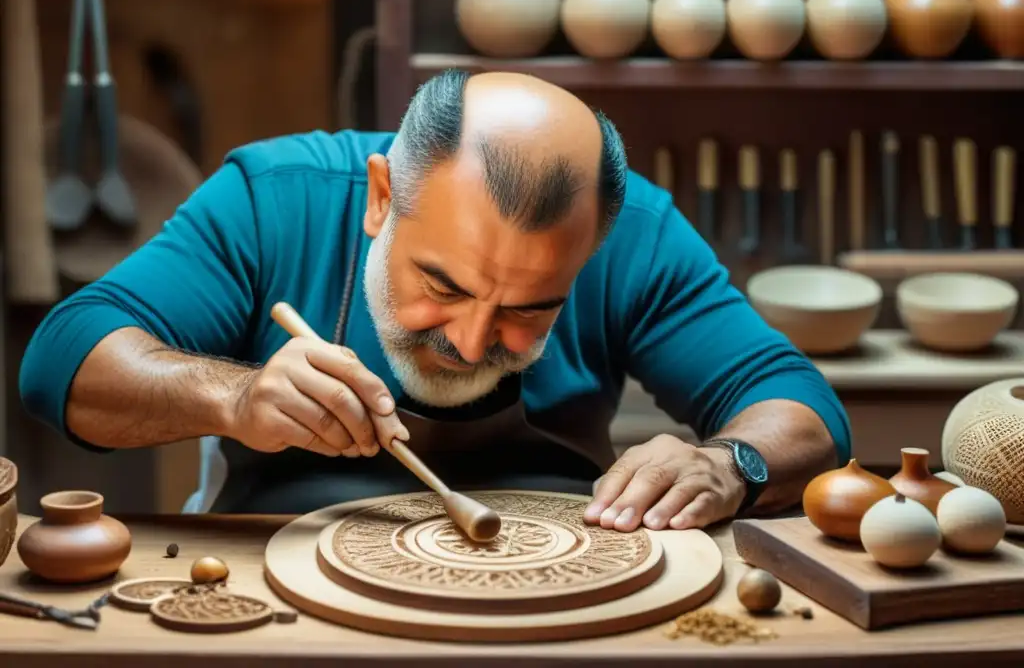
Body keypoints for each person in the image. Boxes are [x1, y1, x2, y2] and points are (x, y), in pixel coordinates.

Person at [20, 69, 850, 530]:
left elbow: (804, 409)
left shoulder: (630, 232)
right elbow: (63, 361)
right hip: (285, 582)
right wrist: (233, 395)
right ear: (381, 196)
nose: (471, 337)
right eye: (442, 285)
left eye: (529, 308)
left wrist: (727, 463)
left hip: (559, 578)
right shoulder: (278, 198)